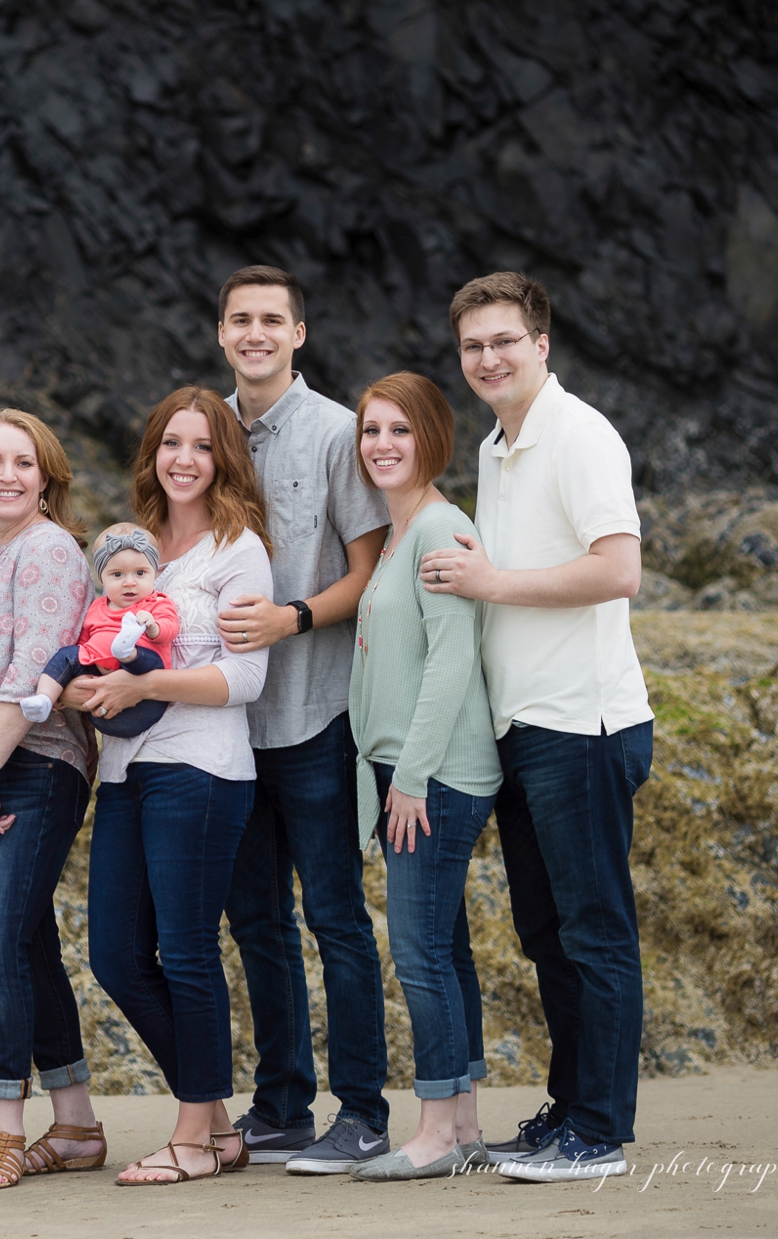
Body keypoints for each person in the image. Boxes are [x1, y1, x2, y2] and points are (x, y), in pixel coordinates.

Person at [419, 272, 653, 1183]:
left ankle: (600, 1133)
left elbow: (618, 570)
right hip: (524, 728)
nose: (488, 358)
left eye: (504, 340)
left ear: (541, 343)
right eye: (474, 345)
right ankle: (570, 1111)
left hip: (583, 724)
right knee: (547, 935)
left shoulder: (580, 435)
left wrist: (492, 584)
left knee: (595, 932)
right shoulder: (497, 444)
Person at [207, 266, 394, 1173]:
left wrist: (295, 617)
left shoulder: (336, 433)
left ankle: (362, 1112)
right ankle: (280, 1105)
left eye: (270, 320)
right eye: (240, 320)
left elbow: (370, 570)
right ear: (221, 334)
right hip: (228, 726)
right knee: (255, 924)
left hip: (317, 713)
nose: (255, 334)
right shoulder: (203, 434)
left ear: (299, 333)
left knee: (336, 918)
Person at [71, 386, 271, 1186]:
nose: (184, 460)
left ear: (223, 457)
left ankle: (193, 1137)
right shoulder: (134, 544)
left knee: (187, 951)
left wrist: (146, 688)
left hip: (202, 768)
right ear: (152, 453)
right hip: (124, 772)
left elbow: (245, 677)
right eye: (170, 444)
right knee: (116, 954)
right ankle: (218, 1122)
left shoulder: (239, 547)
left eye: (201, 445)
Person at [0, 409, 107, 1190]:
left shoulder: (49, 551)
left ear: (47, 476)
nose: (7, 475)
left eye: (23, 462)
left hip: (34, 765)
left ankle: (7, 1125)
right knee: (29, 940)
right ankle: (74, 1123)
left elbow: (32, 670)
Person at [344, 373, 501, 1181]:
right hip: (410, 773)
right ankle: (465, 1124)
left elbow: (451, 665)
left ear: (432, 438)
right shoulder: (401, 530)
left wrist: (409, 777)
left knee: (420, 955)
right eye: (371, 430)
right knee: (445, 949)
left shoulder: (440, 525)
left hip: (433, 777)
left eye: (399, 430)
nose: (382, 445)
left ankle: (436, 1130)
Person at [17, 522, 181, 738]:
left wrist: (152, 626)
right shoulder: (97, 607)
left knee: (149, 658)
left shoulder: (156, 603)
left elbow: (171, 629)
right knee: (68, 655)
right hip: (100, 683)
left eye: (140, 573)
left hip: (142, 683)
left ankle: (127, 651)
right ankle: (45, 698)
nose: (129, 582)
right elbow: (84, 640)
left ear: (154, 574)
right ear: (101, 578)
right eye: (117, 575)